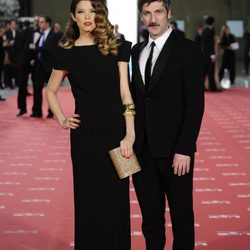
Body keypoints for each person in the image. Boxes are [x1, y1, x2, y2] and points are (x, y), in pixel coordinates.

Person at [46, 0, 134, 249]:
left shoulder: (118, 47)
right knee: (88, 199)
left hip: (118, 136)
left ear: (101, 14)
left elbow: (126, 95)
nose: (88, 16)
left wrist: (130, 134)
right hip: (85, 138)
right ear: (73, 16)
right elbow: (50, 90)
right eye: (82, 11)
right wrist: (61, 118)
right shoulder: (65, 52)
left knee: (117, 200)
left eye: (93, 11)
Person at [131, 1, 204, 250]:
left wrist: (185, 148)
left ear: (169, 13)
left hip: (175, 152)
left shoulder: (188, 50)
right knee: (150, 220)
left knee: (181, 216)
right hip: (142, 150)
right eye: (148, 13)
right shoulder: (136, 51)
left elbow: (195, 104)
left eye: (158, 12)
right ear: (142, 16)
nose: (153, 19)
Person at [29, 16, 57, 118]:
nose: (39, 24)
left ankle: (51, 112)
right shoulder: (41, 35)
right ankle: (37, 111)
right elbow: (39, 49)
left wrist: (37, 48)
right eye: (39, 22)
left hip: (49, 67)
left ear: (48, 23)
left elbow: (50, 50)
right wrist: (34, 58)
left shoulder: (54, 35)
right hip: (39, 66)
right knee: (37, 89)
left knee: (50, 91)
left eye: (41, 22)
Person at [201, 16, 219, 91]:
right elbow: (209, 44)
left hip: (204, 54)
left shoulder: (205, 30)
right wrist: (212, 55)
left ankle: (202, 87)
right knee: (210, 71)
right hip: (209, 54)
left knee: (204, 72)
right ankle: (213, 87)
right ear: (212, 22)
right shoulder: (210, 31)